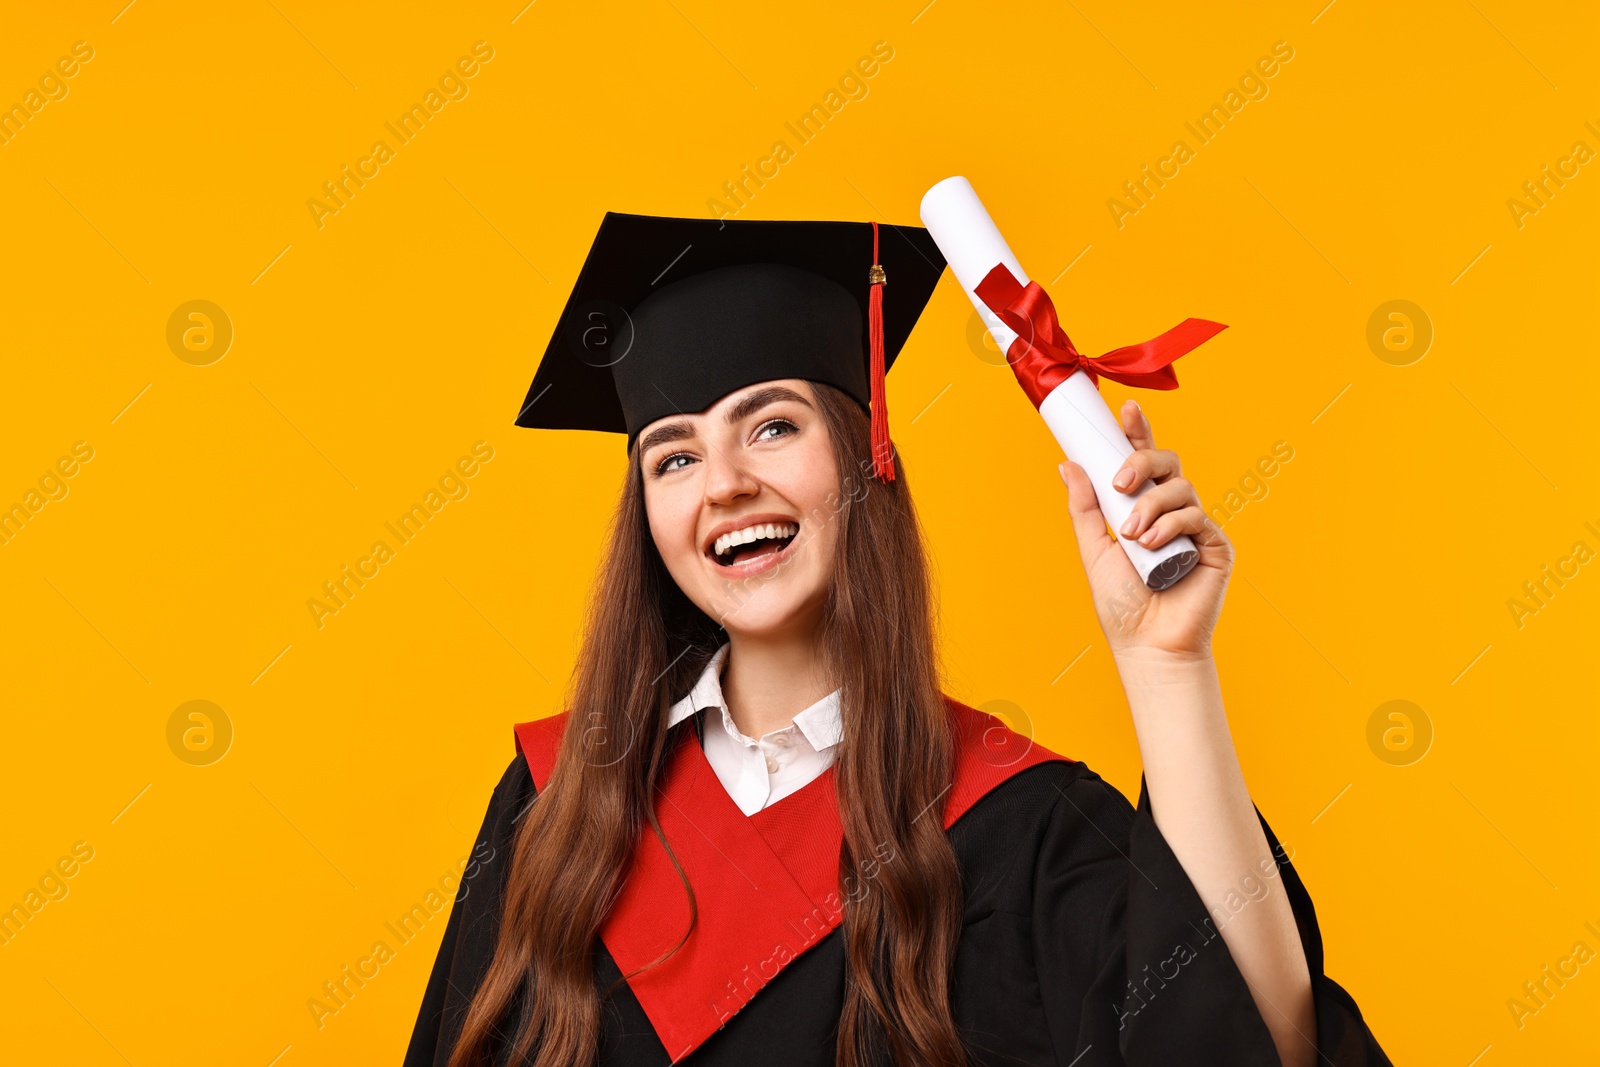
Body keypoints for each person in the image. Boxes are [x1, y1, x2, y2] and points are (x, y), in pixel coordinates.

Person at [403, 211, 1392, 1066]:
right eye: (672, 456)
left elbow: (1247, 1038)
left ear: (863, 453)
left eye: (772, 427)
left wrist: (1166, 663)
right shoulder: (555, 801)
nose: (721, 483)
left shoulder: (1016, 824)